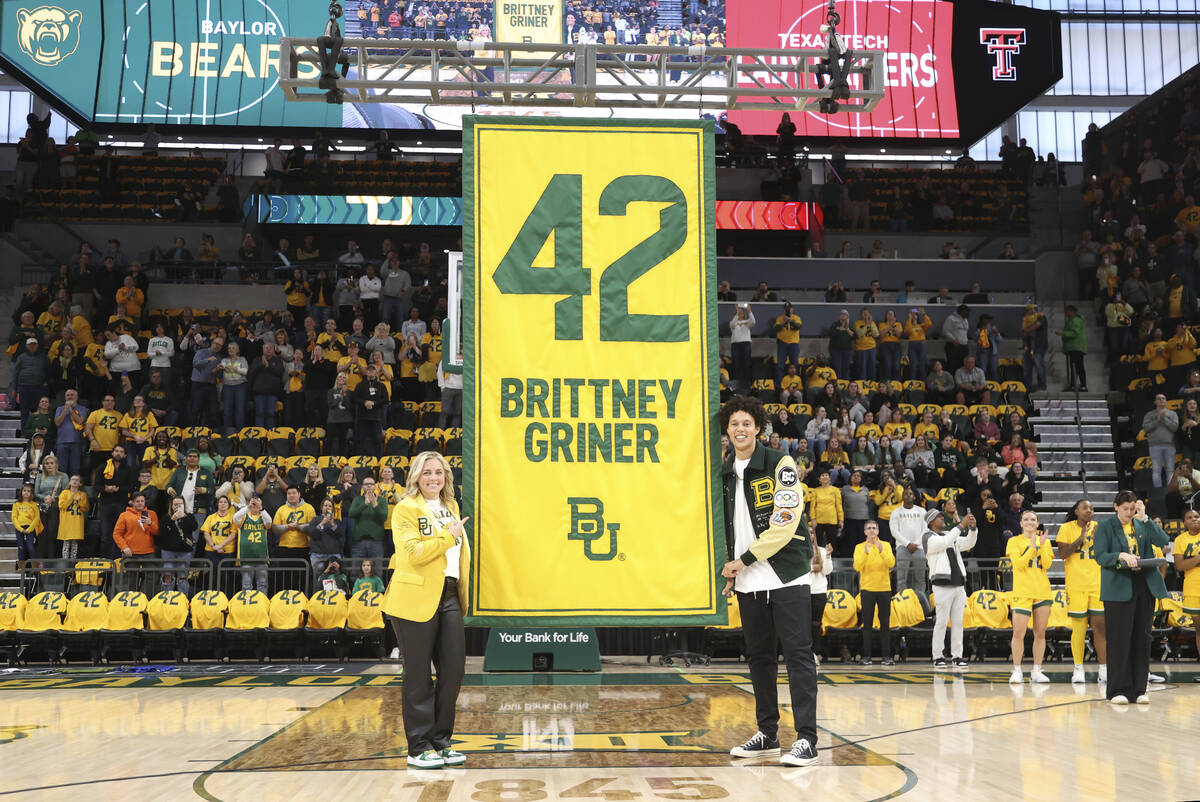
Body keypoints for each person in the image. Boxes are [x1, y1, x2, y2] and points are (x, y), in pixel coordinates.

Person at [719, 395, 818, 767]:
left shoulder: (780, 463)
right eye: (734, 424)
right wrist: (732, 569)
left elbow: (786, 520)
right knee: (759, 658)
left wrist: (742, 560)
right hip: (747, 581)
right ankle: (768, 734)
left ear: (758, 427)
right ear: (727, 432)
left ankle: (807, 739)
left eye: (746, 423)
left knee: (797, 656)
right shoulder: (726, 471)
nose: (740, 429)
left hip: (785, 574)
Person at [383, 451, 471, 769]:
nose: (433, 478)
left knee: (453, 670)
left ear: (446, 476)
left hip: (448, 595)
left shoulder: (451, 507)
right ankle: (418, 747)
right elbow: (415, 554)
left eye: (438, 472)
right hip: (414, 599)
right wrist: (449, 536)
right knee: (419, 676)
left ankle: (440, 741)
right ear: (416, 478)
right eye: (427, 473)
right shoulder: (406, 509)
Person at [1094, 492, 1170, 705]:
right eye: (1125, 509)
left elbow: (1163, 541)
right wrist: (1120, 555)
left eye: (1132, 508)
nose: (1129, 513)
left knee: (1142, 638)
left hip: (1144, 585)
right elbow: (1099, 556)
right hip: (1118, 586)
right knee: (1119, 639)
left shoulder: (1141, 523)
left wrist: (1145, 518)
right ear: (1115, 507)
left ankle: (1139, 689)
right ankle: (1118, 689)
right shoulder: (1106, 526)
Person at [1057, 499, 1107, 684]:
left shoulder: (1100, 528)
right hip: (1076, 585)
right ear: (1076, 511)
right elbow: (1062, 554)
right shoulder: (1067, 528)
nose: (1089, 510)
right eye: (1085, 508)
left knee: (1100, 629)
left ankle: (1104, 669)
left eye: (1092, 508)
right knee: (1078, 629)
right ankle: (1078, 668)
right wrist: (1081, 537)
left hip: (1097, 584)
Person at [923, 505, 977, 670]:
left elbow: (968, 543)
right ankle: (938, 655)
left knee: (958, 623)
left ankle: (957, 656)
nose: (942, 518)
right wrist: (961, 526)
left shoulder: (949, 534)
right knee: (941, 622)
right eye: (939, 517)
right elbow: (944, 542)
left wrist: (972, 529)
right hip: (941, 585)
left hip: (958, 585)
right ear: (931, 521)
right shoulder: (928, 537)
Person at [1006, 509, 1053, 684]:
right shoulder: (1013, 541)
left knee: (1040, 633)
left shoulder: (1045, 542)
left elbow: (1047, 564)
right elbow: (1018, 565)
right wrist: (1032, 548)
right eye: (1026, 519)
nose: (1030, 522)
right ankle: (1017, 670)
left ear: (1037, 523)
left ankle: (1037, 670)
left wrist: (1040, 546)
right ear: (1021, 523)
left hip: (1042, 590)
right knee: (1018, 632)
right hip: (1022, 591)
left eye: (1033, 519)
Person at [854, 520, 896, 666]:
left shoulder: (886, 545)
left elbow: (891, 563)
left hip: (884, 588)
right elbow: (857, 566)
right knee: (867, 624)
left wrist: (881, 550)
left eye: (874, 528)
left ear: (878, 531)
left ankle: (886, 657)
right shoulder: (859, 547)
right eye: (868, 528)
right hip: (867, 589)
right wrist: (865, 553)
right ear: (865, 532)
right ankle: (866, 656)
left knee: (885, 623)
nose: (871, 531)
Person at [1171, 508, 1200, 661]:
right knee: (1199, 629)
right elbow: (1180, 566)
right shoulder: (1180, 540)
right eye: (1190, 517)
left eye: (1197, 516)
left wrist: (1191, 561)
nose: (1194, 519)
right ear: (1184, 523)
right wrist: (1198, 559)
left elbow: (1185, 563)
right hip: (1192, 588)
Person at [159, 496, 199, 595]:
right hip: (168, 551)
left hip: (184, 552)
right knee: (167, 576)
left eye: (180, 504)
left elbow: (194, 527)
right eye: (175, 504)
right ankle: (166, 598)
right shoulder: (166, 517)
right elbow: (163, 532)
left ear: (184, 505)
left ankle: (183, 599)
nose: (177, 506)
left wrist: (184, 517)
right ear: (171, 506)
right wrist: (172, 519)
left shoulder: (189, 516)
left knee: (182, 576)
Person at [232, 496, 272, 594]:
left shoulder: (263, 517)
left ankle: (262, 606)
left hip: (261, 558)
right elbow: (235, 518)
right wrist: (247, 507)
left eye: (257, 503)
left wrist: (261, 509)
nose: (254, 505)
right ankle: (247, 607)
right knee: (246, 585)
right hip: (246, 558)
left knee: (262, 584)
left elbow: (269, 522)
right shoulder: (244, 516)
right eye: (253, 503)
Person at [890, 487, 926, 591]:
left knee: (920, 578)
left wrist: (916, 543)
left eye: (911, 493)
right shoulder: (895, 512)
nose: (908, 495)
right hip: (902, 547)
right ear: (902, 497)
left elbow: (925, 529)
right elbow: (894, 531)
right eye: (906, 494)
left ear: (914, 497)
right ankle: (902, 603)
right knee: (901, 579)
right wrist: (907, 544)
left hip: (919, 547)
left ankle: (919, 601)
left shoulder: (922, 511)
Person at [1143, 394, 1179, 488]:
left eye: (1163, 398)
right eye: (1159, 399)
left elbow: (1175, 428)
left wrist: (1164, 419)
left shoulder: (1172, 414)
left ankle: (1170, 491)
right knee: (1156, 470)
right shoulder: (1150, 414)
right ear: (1155, 402)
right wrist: (1157, 420)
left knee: (1170, 469)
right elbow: (1146, 428)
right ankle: (1158, 491)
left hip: (1169, 445)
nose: (1162, 400)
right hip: (1154, 446)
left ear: (1166, 401)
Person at [1057, 305, 1088, 391]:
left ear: (1071, 311)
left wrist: (1063, 333)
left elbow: (1075, 333)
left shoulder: (1075, 320)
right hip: (1073, 346)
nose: (1065, 313)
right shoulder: (1071, 320)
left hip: (1076, 346)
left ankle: (1082, 385)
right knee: (1074, 366)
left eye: (1066, 311)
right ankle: (1074, 384)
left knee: (1078, 366)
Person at [56, 474, 88, 559]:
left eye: (77, 480)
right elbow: (61, 506)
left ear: (80, 483)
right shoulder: (64, 493)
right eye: (73, 479)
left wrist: (80, 501)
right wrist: (72, 498)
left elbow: (85, 508)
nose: (74, 481)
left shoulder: (83, 494)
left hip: (77, 522)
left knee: (75, 544)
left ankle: (73, 562)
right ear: (69, 482)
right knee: (66, 543)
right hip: (66, 522)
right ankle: (65, 561)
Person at [729, 304, 755, 390]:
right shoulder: (733, 322)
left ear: (744, 314)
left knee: (747, 364)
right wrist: (736, 313)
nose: (740, 314)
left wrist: (749, 311)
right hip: (736, 345)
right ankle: (737, 384)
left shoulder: (747, 322)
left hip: (746, 344)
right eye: (738, 312)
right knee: (737, 364)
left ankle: (747, 383)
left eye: (741, 312)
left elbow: (753, 322)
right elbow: (732, 325)